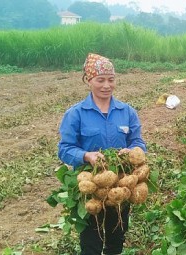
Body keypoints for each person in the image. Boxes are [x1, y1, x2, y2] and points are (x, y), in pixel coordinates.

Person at [58, 53, 147, 254]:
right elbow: (65, 149)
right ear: (88, 81)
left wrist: (133, 150)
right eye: (100, 80)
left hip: (120, 185)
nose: (106, 85)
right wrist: (86, 156)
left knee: (117, 237)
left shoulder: (127, 111)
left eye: (111, 80)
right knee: (90, 242)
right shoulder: (76, 113)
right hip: (90, 187)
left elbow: (138, 142)